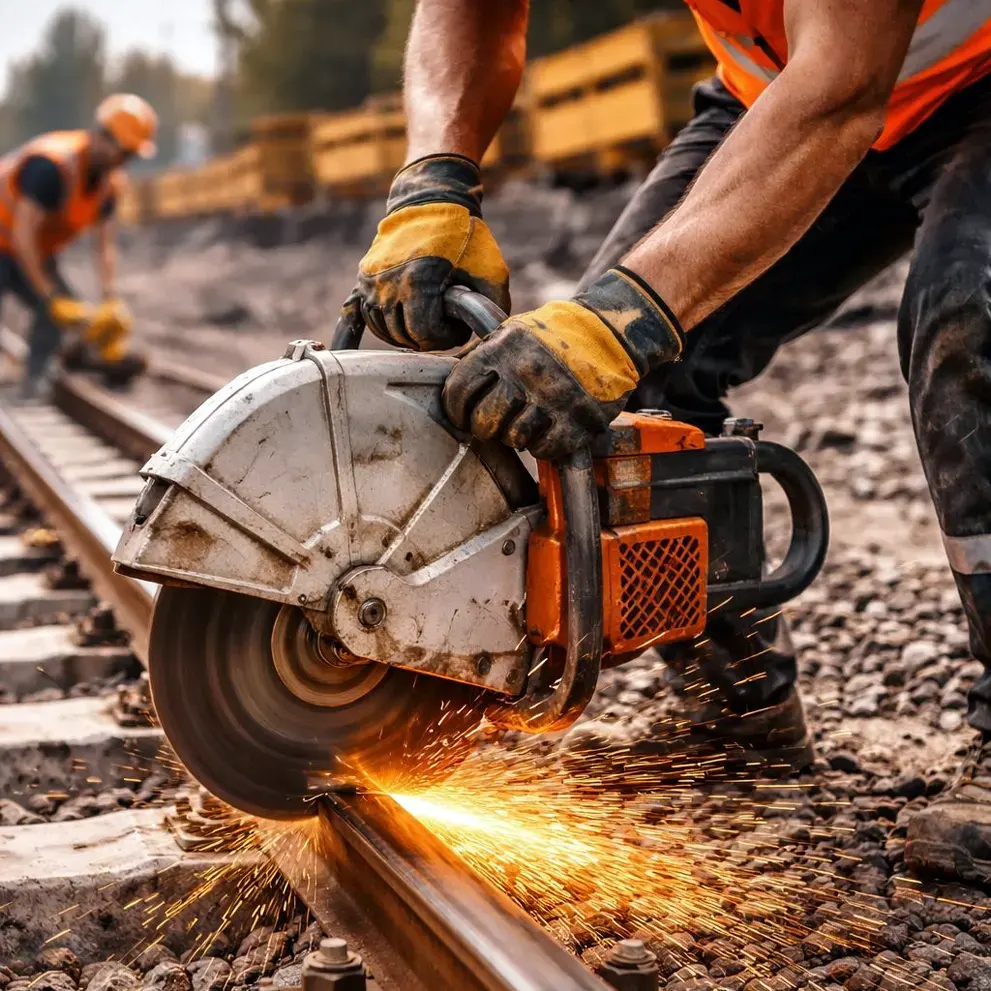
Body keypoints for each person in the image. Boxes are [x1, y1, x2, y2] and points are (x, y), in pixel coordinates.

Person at [343, 0, 991, 884]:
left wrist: (625, 318)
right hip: (781, 89)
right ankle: (738, 720)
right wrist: (433, 178)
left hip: (914, 78)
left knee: (970, 319)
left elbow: (843, 83)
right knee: (622, 394)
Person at [0, 93, 157, 394]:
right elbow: (23, 234)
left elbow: (104, 246)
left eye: (130, 156)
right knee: (53, 301)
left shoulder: (108, 184)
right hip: (12, 240)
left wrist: (110, 297)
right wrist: (48, 293)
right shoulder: (52, 167)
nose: (124, 161)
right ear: (102, 137)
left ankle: (34, 380)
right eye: (123, 152)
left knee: (59, 309)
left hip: (27, 248)